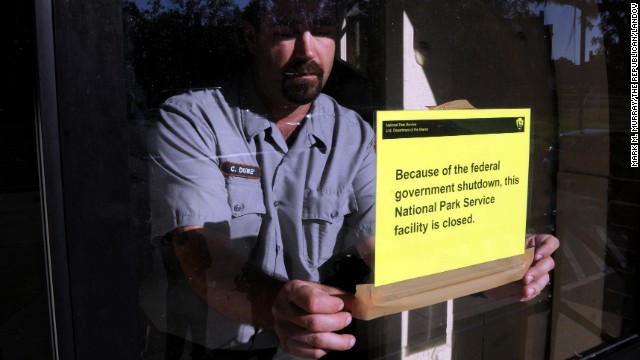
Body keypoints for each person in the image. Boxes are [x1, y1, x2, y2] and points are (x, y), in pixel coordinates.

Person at [147, 0, 559, 359]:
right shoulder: (192, 119)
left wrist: (493, 271)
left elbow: (391, 250)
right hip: (199, 349)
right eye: (287, 31)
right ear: (252, 37)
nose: (308, 51)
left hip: (310, 348)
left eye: (323, 31)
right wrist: (275, 305)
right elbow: (200, 247)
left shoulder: (354, 134)